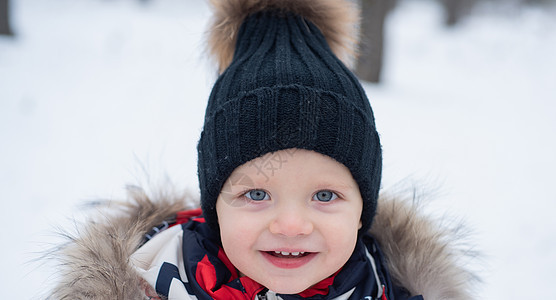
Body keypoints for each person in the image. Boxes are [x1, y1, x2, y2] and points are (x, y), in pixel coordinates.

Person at [48, 0, 476, 299]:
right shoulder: (149, 286)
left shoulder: (394, 288)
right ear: (215, 207)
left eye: (325, 195)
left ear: (363, 211)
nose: (291, 225)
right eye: (256, 194)